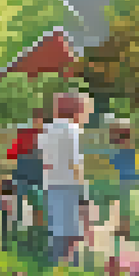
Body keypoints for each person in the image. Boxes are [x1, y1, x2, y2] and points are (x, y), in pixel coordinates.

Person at [40, 92, 92, 264]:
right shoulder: (72, 130)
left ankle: (55, 262)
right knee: (72, 229)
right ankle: (71, 265)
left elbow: (44, 160)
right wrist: (83, 191)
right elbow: (75, 162)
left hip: (51, 182)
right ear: (76, 110)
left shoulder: (46, 130)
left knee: (57, 227)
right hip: (70, 183)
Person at [6, 108, 48, 229]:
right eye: (36, 119)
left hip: (37, 175)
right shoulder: (26, 134)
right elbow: (12, 154)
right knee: (21, 189)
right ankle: (19, 222)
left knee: (35, 193)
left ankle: (35, 223)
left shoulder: (45, 134)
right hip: (27, 175)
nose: (37, 122)